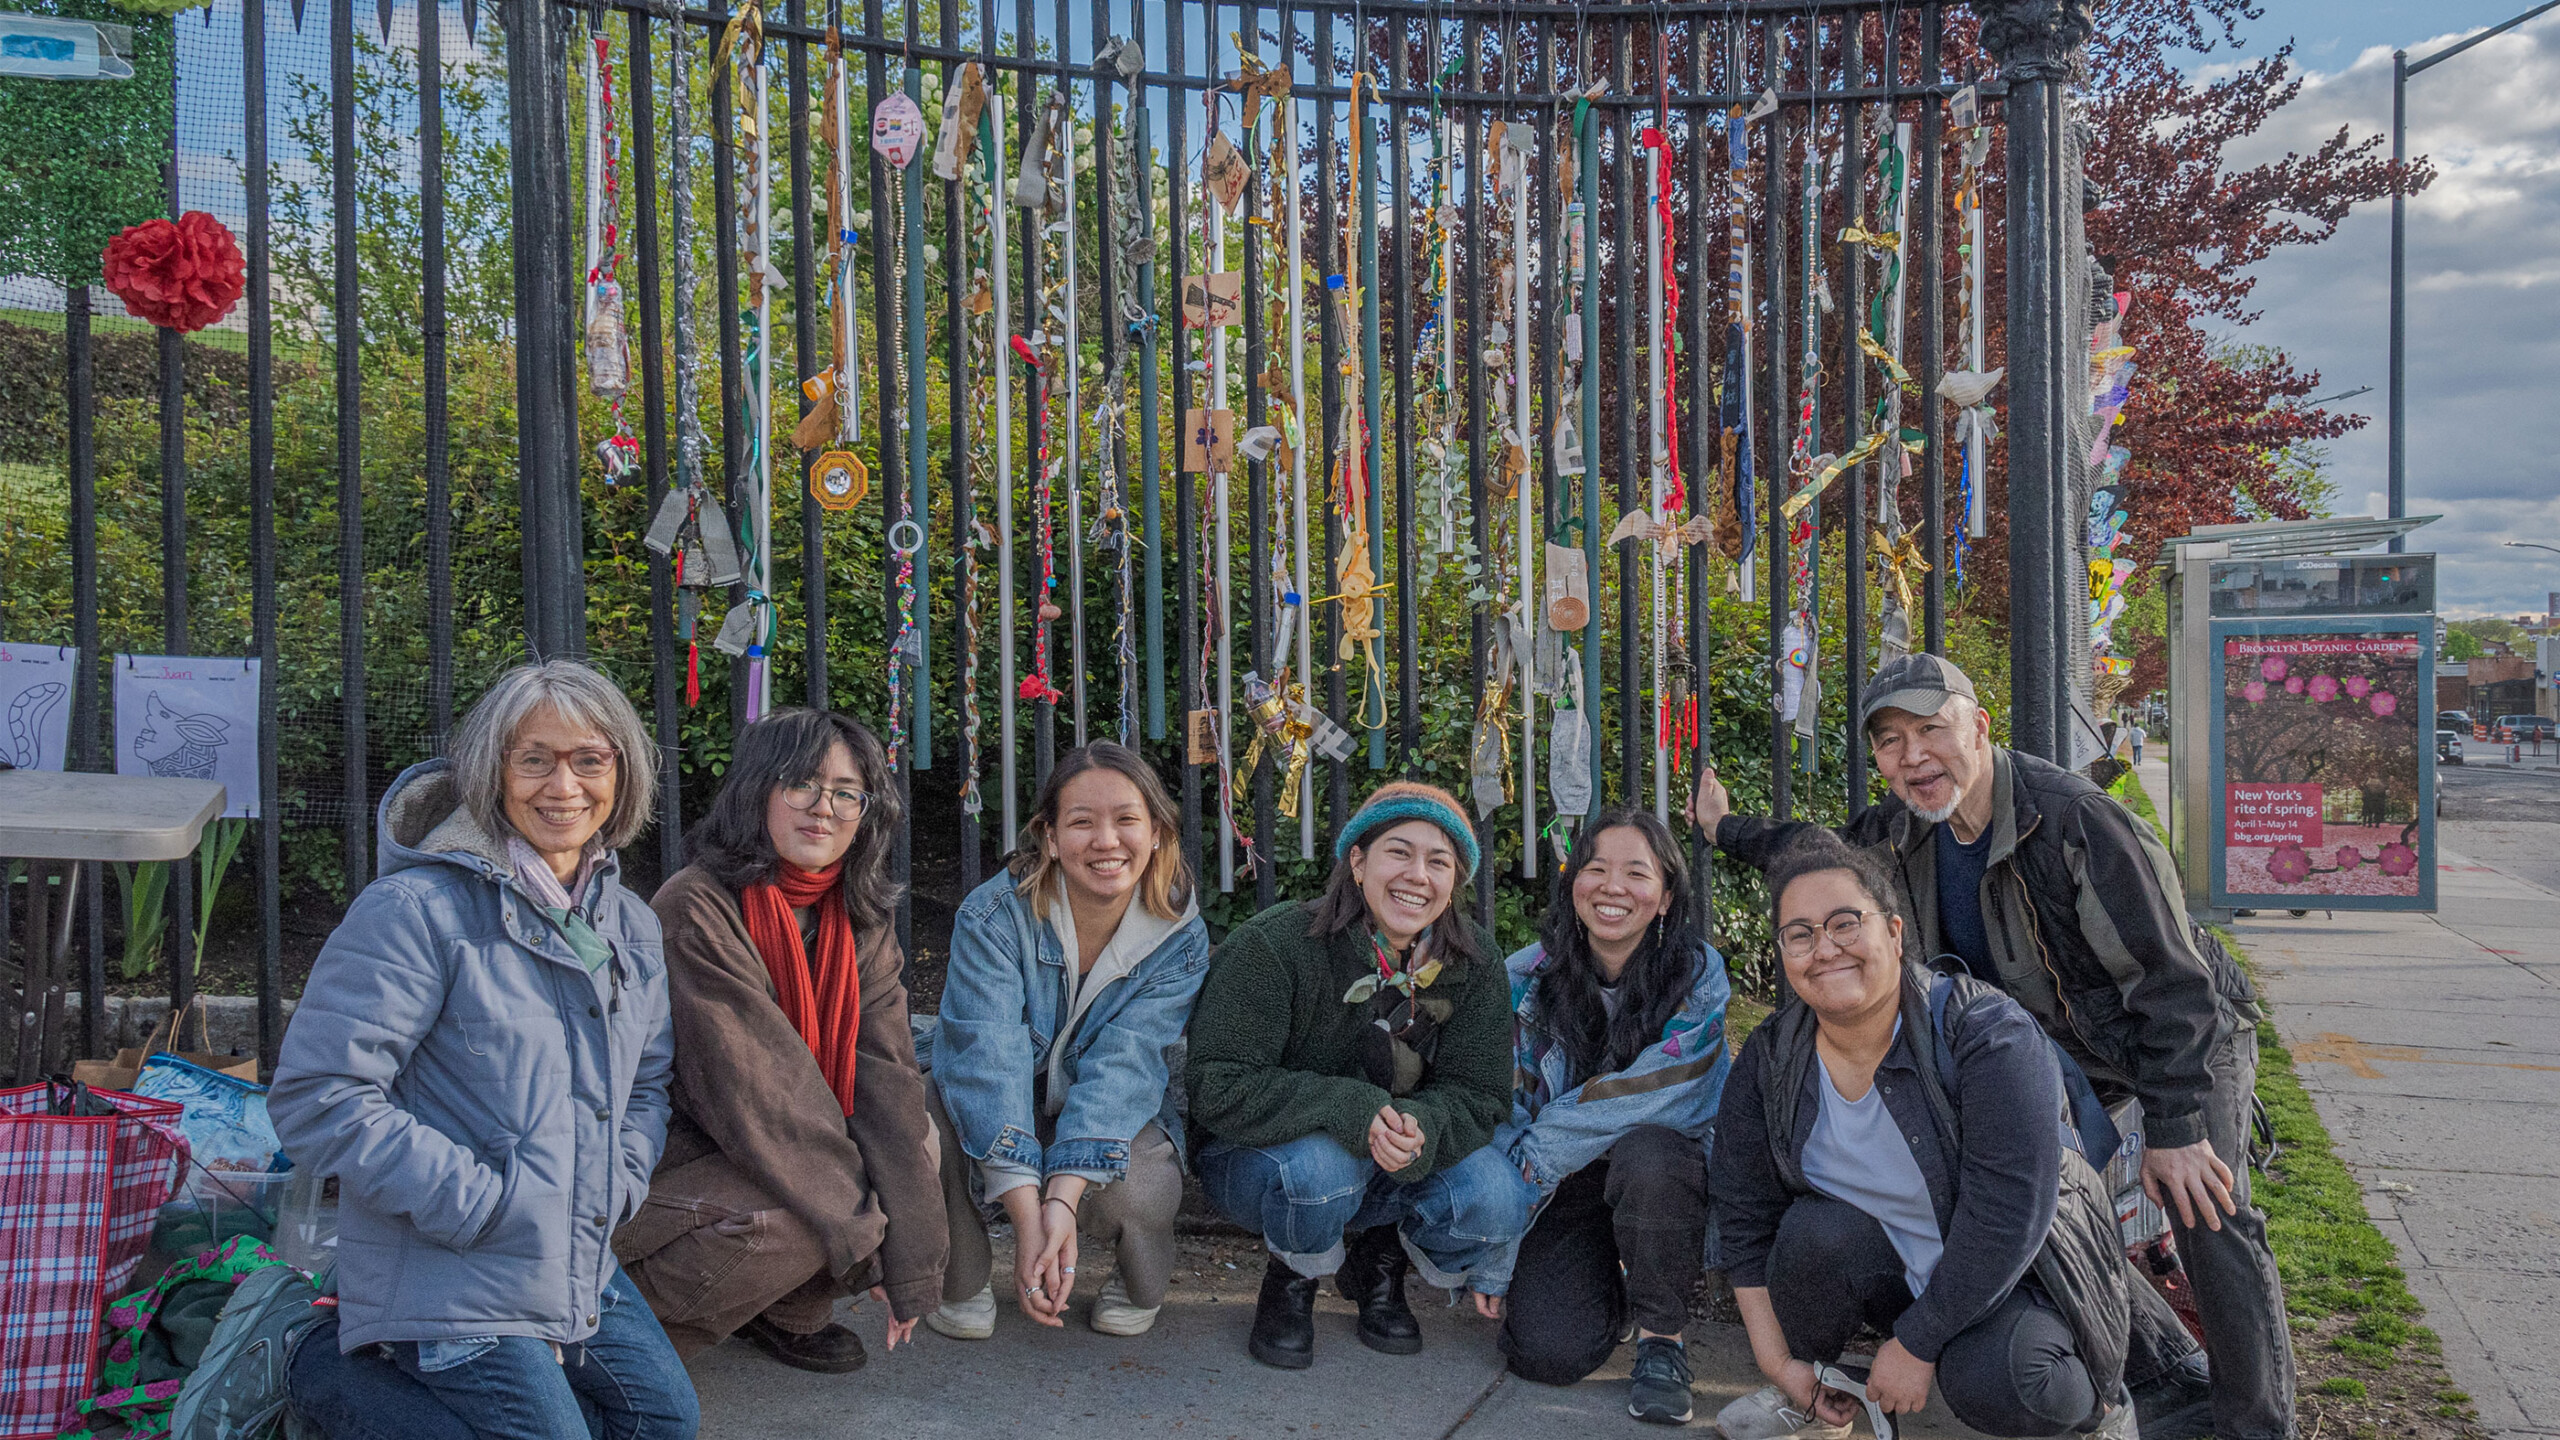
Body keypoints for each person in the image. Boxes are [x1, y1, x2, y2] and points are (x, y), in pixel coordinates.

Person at [1694, 651, 2271, 1440]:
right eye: (1891, 741)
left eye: (1932, 729)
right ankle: (2167, 1375)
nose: (1914, 756)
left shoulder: (2075, 821)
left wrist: (2175, 1128)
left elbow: (2171, 983)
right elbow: (1816, 854)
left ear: (1980, 726)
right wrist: (1723, 827)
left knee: (2206, 1202)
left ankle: (2256, 1422)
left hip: (2176, 1033)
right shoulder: (1904, 830)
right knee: (2056, 1206)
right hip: (2051, 1051)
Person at [272, 660, 697, 1440]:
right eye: (532, 759)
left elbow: (647, 1084)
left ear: (622, 773)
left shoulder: (628, 922)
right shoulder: (413, 911)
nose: (562, 786)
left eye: (588, 760)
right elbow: (317, 1096)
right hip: (449, 1255)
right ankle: (315, 1370)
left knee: (662, 1421)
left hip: (570, 1253)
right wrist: (480, 1204)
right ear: (489, 771)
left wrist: (621, 1183)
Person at [1713, 836, 2137, 1440]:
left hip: (2023, 1272)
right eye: (1800, 934)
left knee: (2004, 1380)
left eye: (1844, 923)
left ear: (1893, 932)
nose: (1824, 947)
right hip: (1897, 1265)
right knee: (1808, 1237)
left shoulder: (1986, 1033)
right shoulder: (1773, 1056)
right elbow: (1743, 1212)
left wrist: (1916, 1343)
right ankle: (1818, 1395)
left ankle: (2103, 1412)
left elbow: (2008, 1214)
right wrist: (1779, 1363)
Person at [614, 709, 947, 1372]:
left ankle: (784, 1311)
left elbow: (885, 1078)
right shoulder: (694, 907)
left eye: (847, 792)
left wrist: (913, 1262)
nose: (825, 808)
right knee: (801, 1215)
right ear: (758, 790)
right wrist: (864, 1235)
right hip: (664, 1162)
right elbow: (763, 1093)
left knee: (915, 1141)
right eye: (802, 784)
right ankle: (623, 1339)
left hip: (766, 1144)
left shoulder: (855, 913)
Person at [1187, 780, 1525, 1370]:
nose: (1417, 875)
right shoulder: (1277, 945)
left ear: (1454, 884)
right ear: (1359, 860)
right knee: (1323, 1167)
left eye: (1438, 861)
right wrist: (1351, 1108)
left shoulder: (1475, 964)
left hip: (1390, 1160)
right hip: (1263, 1160)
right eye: (1399, 851)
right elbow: (1218, 1084)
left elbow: (1480, 1095)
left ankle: (1378, 1255)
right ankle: (1292, 1273)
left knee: (1496, 1196)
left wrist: (1421, 1124)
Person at [925, 742, 1209, 1340]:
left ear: (1156, 832)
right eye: (1082, 822)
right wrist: (1031, 1219)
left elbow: (1127, 1065)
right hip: (999, 1099)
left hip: (1101, 1106)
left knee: (1142, 1184)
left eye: (1127, 819)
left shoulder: (1179, 937)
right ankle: (962, 1277)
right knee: (919, 1125)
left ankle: (1136, 1281)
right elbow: (988, 1059)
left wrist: (1065, 1193)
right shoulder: (994, 915)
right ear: (1050, 837)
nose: (1107, 840)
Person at [1475, 809, 1732, 1425]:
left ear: (1666, 895)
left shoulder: (1698, 976)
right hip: (1560, 1184)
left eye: (1636, 873)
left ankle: (1661, 1339)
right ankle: (1612, 1287)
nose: (1613, 887)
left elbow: (1673, 1090)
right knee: (1544, 1355)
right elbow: (1501, 1111)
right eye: (1595, 869)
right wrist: (1496, 1240)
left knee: (1651, 1151)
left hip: (1660, 1179)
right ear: (1572, 885)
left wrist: (1535, 1157)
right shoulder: (1522, 979)